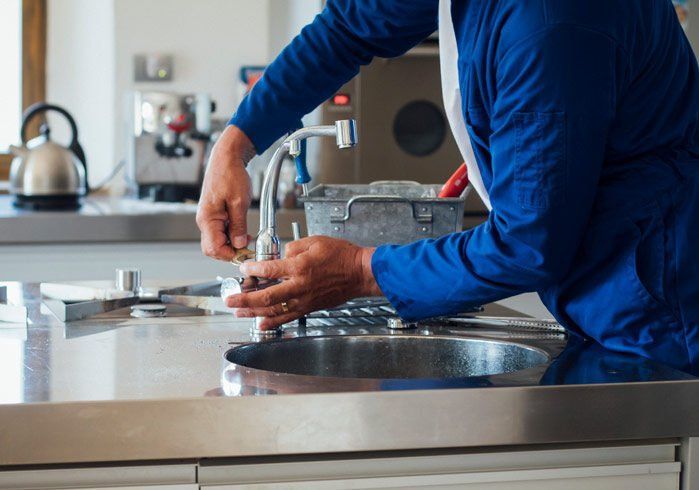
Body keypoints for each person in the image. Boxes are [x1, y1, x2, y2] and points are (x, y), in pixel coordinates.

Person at [196, 0, 699, 374]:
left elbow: (527, 244)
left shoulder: (551, 26)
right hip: (614, 303)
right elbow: (350, 27)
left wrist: (357, 269)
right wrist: (235, 144)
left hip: (662, 320)